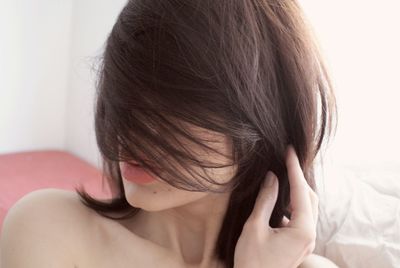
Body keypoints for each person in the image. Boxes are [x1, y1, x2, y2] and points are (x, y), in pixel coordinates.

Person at [0, 0, 339, 267]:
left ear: (263, 122)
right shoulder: (49, 227)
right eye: (128, 93)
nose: (131, 128)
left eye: (175, 105)